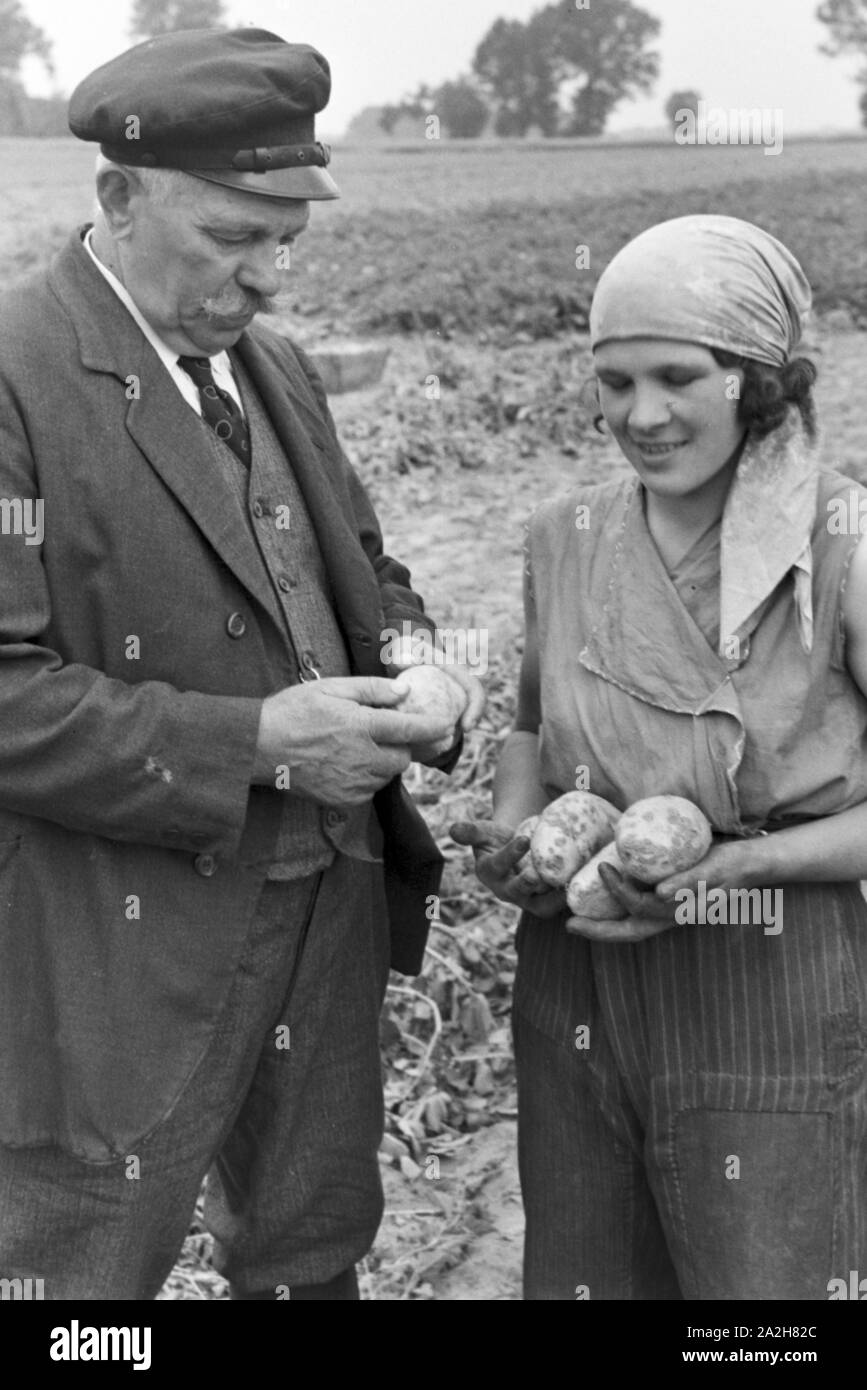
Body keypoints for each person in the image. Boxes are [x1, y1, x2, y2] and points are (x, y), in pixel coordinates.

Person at [0, 27, 483, 1301]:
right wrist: (261, 742)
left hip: (325, 906)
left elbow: (370, 579)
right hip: (114, 934)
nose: (268, 276)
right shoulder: (14, 376)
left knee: (309, 1247)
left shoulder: (271, 368)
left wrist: (428, 669)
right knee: (82, 1275)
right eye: (230, 239)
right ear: (118, 197)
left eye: (289, 240)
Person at [452, 214, 867, 1300]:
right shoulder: (565, 534)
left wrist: (730, 870)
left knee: (765, 1292)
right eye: (614, 379)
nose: (641, 414)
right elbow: (534, 728)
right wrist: (517, 829)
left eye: (679, 376)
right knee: (591, 1271)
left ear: (761, 382)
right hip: (580, 967)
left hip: (768, 965)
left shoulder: (840, 543)